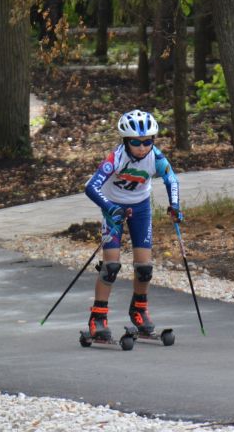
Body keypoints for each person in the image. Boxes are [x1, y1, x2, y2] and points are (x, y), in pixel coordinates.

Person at [84, 110, 183, 340]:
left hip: (140, 207)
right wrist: (109, 208)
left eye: (147, 141)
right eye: (136, 142)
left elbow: (172, 179)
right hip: (113, 208)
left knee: (145, 267)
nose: (142, 147)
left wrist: (175, 206)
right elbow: (91, 187)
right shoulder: (116, 158)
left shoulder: (155, 157)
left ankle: (139, 311)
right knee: (111, 266)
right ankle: (98, 317)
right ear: (126, 141)